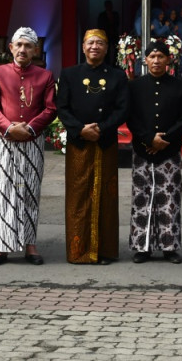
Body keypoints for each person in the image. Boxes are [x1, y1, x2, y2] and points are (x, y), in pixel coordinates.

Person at [0, 27, 58, 266]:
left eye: (28, 46)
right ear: (11, 48)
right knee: (3, 191)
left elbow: (50, 109)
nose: (23, 50)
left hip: (32, 140)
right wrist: (8, 128)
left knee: (30, 191)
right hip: (5, 140)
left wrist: (30, 128)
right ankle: (0, 247)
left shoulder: (45, 76)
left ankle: (30, 245)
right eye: (19, 45)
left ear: (35, 50)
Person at [56, 29, 130, 264]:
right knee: (78, 197)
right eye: (90, 43)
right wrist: (80, 129)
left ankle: (105, 250)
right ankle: (79, 251)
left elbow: (122, 109)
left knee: (105, 197)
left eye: (100, 43)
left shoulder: (117, 76)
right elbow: (62, 108)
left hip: (105, 142)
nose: (95, 47)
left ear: (107, 49)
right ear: (83, 47)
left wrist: (102, 128)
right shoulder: (69, 74)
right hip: (79, 144)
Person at [126, 40, 182, 263]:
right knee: (142, 198)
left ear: (168, 60)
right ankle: (141, 247)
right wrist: (148, 139)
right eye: (152, 57)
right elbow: (131, 117)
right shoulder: (135, 86)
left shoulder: (180, 86)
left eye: (160, 57)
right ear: (145, 60)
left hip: (169, 151)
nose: (156, 61)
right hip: (142, 150)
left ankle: (169, 246)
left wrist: (166, 138)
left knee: (170, 198)